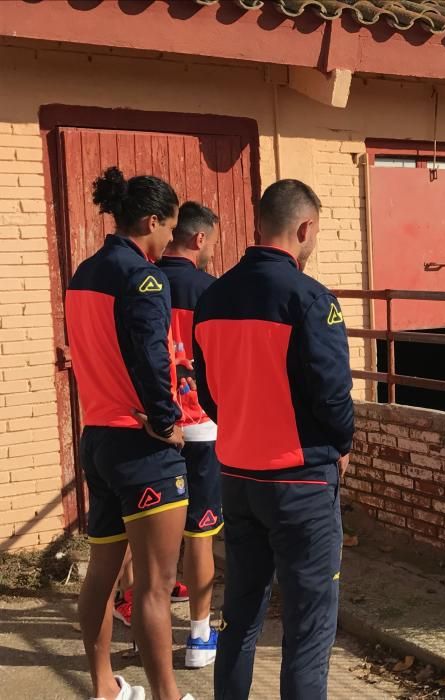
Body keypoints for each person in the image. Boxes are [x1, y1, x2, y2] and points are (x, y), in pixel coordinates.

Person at [192, 179, 354, 700]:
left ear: (259, 224)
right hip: (301, 482)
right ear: (305, 229)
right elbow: (332, 397)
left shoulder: (212, 297)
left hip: (237, 478)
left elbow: (210, 393)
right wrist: (342, 444)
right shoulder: (310, 299)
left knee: (240, 618)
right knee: (307, 631)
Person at [66, 167, 195, 700]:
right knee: (156, 586)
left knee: (102, 571)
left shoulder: (84, 272)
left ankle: (104, 688)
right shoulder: (144, 277)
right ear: (150, 220)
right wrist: (167, 422)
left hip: (97, 437)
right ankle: (167, 695)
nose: (171, 239)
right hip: (142, 445)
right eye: (169, 227)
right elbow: (150, 356)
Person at [157, 201, 223, 668]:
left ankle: (145, 626)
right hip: (202, 426)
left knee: (147, 535)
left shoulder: (142, 282)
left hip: (154, 426)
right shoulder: (212, 291)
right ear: (199, 240)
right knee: (201, 534)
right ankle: (200, 637)